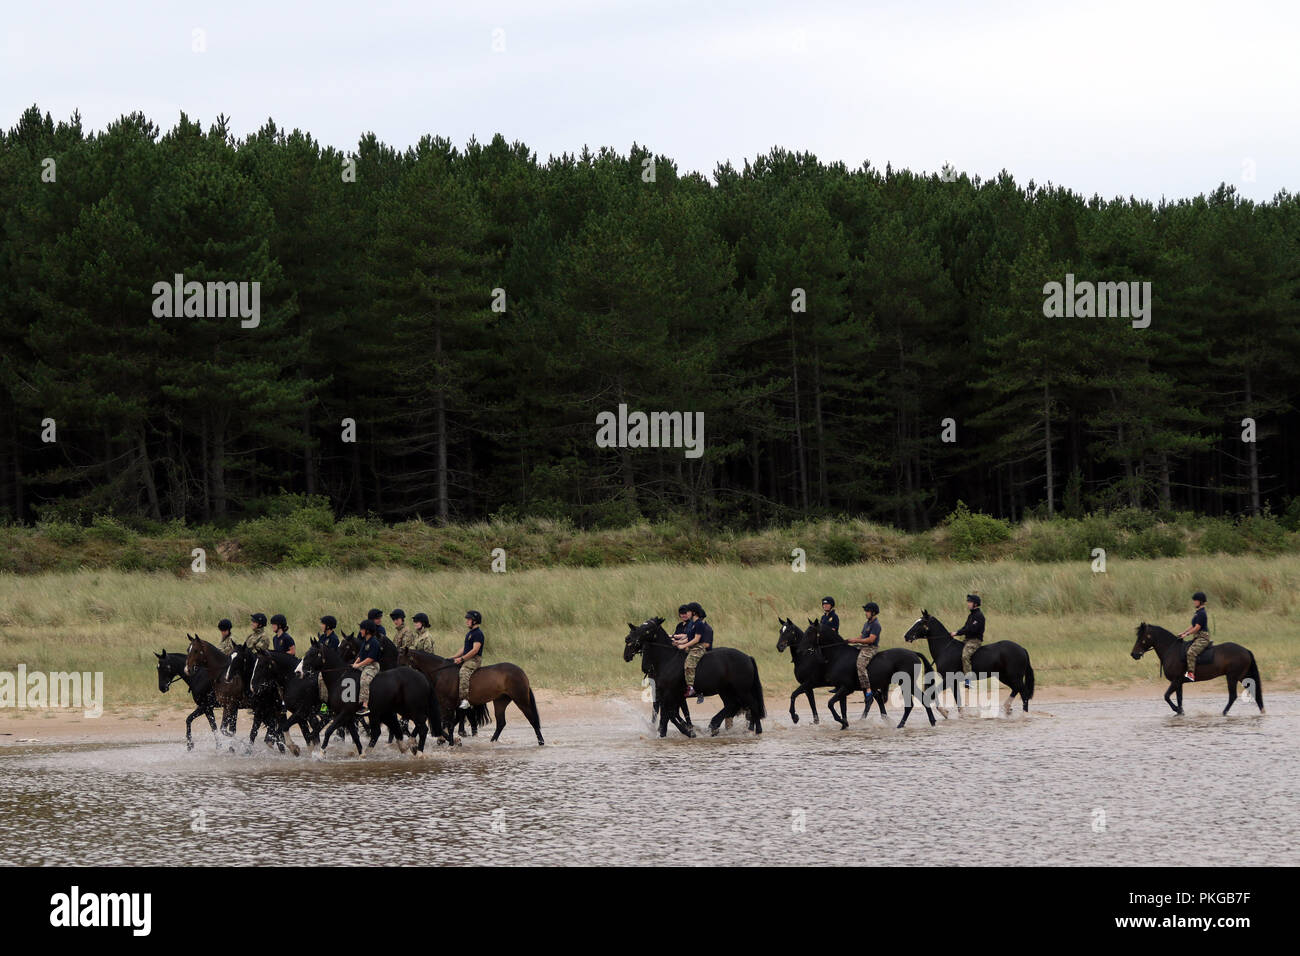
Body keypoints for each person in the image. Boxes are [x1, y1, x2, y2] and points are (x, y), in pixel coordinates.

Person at [674, 602, 713, 701]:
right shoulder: (692, 624)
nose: (686, 614)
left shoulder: (699, 623)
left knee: (689, 664)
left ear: (694, 613)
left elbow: (696, 639)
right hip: (692, 646)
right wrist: (678, 643)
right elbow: (688, 638)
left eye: (688, 611)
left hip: (698, 647)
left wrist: (683, 646)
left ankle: (691, 687)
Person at [847, 602, 882, 695]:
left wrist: (856, 641)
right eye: (865, 611)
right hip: (863, 646)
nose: (865, 613)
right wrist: (851, 640)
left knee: (860, 665)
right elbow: (862, 636)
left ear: (873, 613)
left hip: (871, 648)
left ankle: (868, 688)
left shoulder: (876, 625)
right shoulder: (867, 623)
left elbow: (871, 639)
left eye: (868, 611)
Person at [453, 611, 485, 710]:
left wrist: (462, 659)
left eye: (469, 620)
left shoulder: (478, 634)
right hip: (468, 658)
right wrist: (453, 657)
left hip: (474, 660)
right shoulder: (470, 633)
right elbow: (464, 649)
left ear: (475, 621)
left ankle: (465, 700)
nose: (467, 621)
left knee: (463, 672)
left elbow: (475, 650)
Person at [950, 594, 984, 681]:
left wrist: (957, 633)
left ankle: (968, 680)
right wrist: (955, 632)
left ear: (975, 604)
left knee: (965, 656)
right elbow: (965, 627)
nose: (968, 604)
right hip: (967, 640)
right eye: (968, 602)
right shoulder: (971, 615)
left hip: (975, 641)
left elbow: (971, 629)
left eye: (970, 602)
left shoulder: (979, 616)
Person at [352, 620, 383, 713]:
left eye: (362, 629)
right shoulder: (365, 641)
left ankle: (365, 705)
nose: (360, 631)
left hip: (372, 666)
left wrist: (358, 665)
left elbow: (370, 658)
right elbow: (361, 656)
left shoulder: (374, 642)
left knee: (364, 680)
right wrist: (354, 664)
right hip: (365, 664)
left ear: (368, 631)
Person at [1180, 591, 1211, 681]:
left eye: (1196, 600)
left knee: (1191, 652)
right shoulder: (1197, 612)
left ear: (1200, 602)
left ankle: (1191, 674)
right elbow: (1193, 625)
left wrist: (1187, 634)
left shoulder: (1202, 613)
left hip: (1203, 638)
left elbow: (1197, 628)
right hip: (1197, 637)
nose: (1194, 602)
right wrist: (1183, 632)